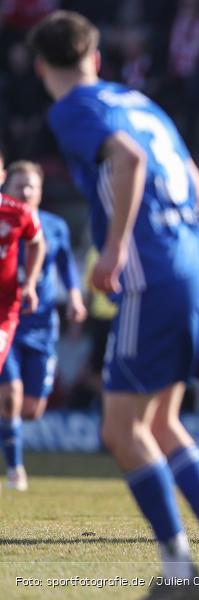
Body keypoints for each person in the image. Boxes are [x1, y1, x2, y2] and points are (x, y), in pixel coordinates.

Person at [28, 11, 199, 592]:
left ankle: (180, 569)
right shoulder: (139, 102)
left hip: (152, 274)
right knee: (160, 421)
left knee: (120, 429)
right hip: (194, 264)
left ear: (40, 67)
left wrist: (113, 248)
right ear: (96, 57)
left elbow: (126, 160)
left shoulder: (74, 107)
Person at [0, 161, 87, 491]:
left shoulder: (53, 226)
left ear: (40, 190)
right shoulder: (6, 215)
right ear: (6, 185)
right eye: (19, 185)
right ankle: (15, 470)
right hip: (9, 316)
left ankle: (10, 434)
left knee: (32, 410)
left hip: (42, 322)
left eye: (31, 186)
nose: (24, 192)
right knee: (10, 394)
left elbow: (66, 265)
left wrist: (76, 298)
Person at [0, 152, 47, 499]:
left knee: (20, 401)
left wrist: (29, 283)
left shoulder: (17, 212)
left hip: (5, 311)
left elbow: (36, 242)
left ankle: (15, 466)